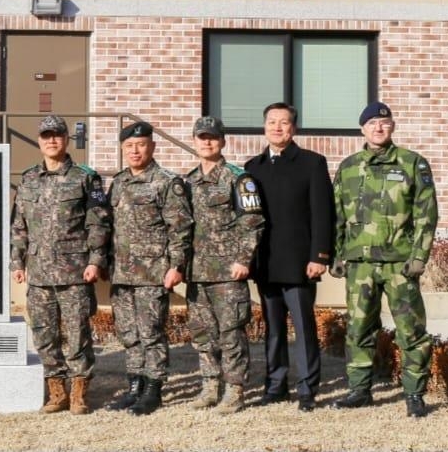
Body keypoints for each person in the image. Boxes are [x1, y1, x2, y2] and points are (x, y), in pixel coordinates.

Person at [331, 102, 438, 418]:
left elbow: (426, 215)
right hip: (360, 264)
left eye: (384, 122)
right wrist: (337, 253)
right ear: (362, 129)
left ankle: (414, 394)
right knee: (359, 328)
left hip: (399, 265)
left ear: (392, 127)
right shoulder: (349, 167)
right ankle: (359, 390)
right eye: (372, 123)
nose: (378, 128)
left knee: (411, 330)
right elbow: (337, 215)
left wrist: (419, 256)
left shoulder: (412, 164)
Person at [10, 115, 112, 416]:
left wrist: (95, 261)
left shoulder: (85, 177)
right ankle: (57, 392)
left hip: (75, 273)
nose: (51, 140)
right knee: (44, 334)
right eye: (46, 136)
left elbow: (98, 224)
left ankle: (80, 392)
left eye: (57, 135)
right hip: (40, 273)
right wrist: (17, 260)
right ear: (39, 141)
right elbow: (19, 225)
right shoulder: (28, 179)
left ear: (67, 139)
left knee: (77, 333)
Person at [244, 103, 334, 412]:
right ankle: (275, 385)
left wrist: (320, 255)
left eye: (284, 123)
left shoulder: (312, 163)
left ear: (293, 128)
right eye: (272, 122)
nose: (277, 128)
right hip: (266, 262)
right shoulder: (252, 167)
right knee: (273, 328)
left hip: (300, 263)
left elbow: (324, 214)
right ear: (264, 126)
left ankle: (307, 388)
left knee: (304, 328)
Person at [105, 121, 193, 415]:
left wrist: (176, 266)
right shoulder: (118, 182)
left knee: (151, 332)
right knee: (129, 334)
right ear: (122, 149)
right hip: (122, 273)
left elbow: (179, 228)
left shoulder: (167, 182)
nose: (135, 150)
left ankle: (154, 388)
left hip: (152, 274)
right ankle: (135, 386)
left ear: (152, 147)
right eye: (129, 146)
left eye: (140, 144)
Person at [185, 116, 264, 414]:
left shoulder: (239, 179)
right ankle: (209, 386)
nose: (207, 142)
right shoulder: (188, 181)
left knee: (231, 333)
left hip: (228, 273)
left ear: (223, 141)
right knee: (203, 333)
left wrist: (243, 260)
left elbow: (253, 221)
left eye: (213, 137)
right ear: (194, 141)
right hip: (197, 272)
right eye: (202, 137)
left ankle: (234, 390)